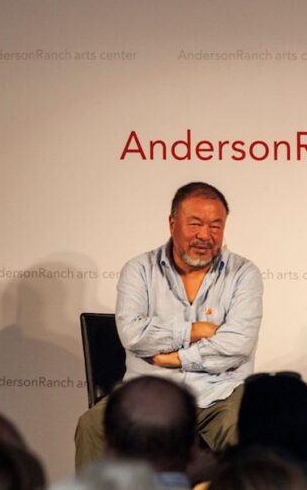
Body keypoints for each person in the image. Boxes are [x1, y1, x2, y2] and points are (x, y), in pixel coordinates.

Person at [75, 182, 263, 469]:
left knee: (245, 428)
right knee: (92, 426)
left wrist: (176, 358)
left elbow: (238, 344)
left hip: (219, 395)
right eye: (195, 224)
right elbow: (133, 335)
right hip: (149, 394)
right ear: (172, 223)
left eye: (216, 226)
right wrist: (194, 330)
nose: (205, 235)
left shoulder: (244, 274)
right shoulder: (139, 270)